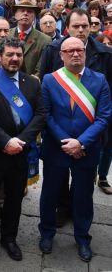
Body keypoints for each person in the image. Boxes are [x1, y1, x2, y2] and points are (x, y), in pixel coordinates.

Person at [39, 37, 111, 263]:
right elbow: (46, 114)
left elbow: (104, 117)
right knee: (50, 194)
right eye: (69, 50)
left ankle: (82, 237)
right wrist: (66, 142)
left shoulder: (100, 80)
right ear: (61, 55)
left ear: (86, 53)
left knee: (83, 197)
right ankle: (47, 233)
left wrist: (81, 143)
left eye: (79, 50)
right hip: (56, 149)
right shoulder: (50, 80)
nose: (75, 54)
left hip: (86, 150)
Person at [0, 38, 46, 264]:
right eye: (9, 55)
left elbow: (40, 115)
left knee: (15, 198)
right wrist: (6, 141)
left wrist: (21, 141)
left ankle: (9, 238)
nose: (14, 59)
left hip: (21, 151)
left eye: (18, 55)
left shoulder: (32, 83)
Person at [9, 0, 50, 76]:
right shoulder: (6, 35)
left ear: (34, 16)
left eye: (29, 11)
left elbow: (41, 68)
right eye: (22, 11)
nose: (25, 13)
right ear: (15, 15)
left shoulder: (45, 40)